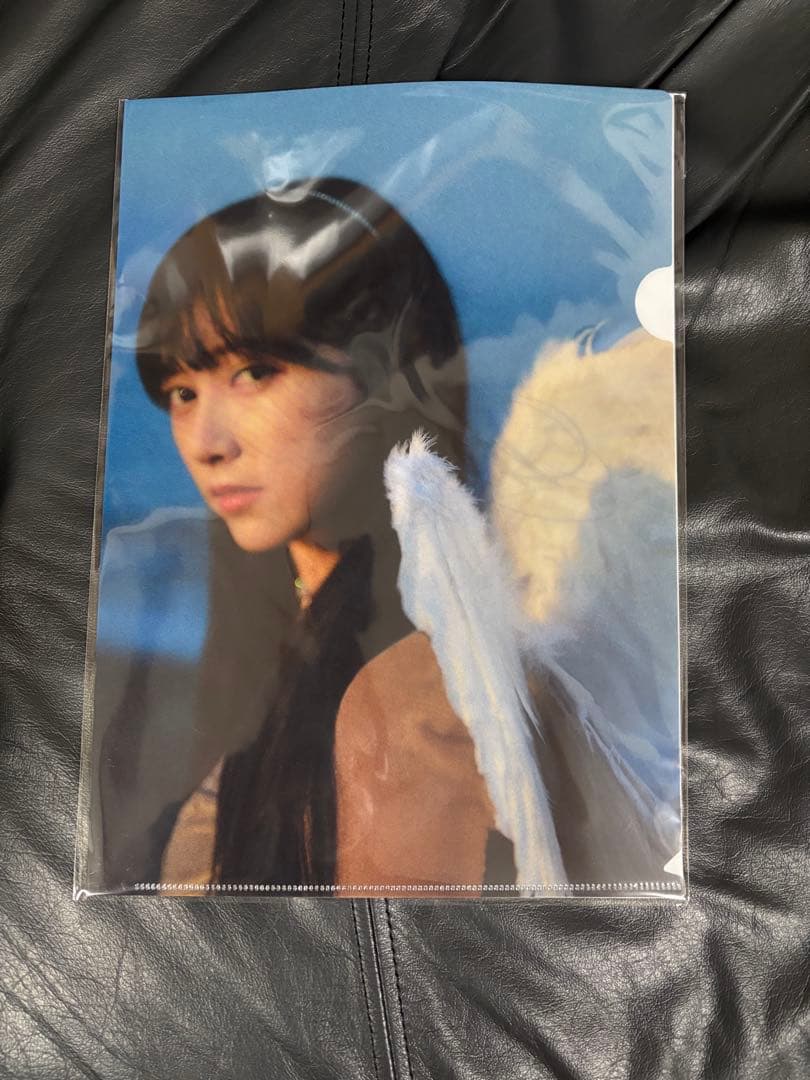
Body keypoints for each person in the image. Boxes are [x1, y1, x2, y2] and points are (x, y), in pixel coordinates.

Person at [133, 176, 677, 897]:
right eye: (182, 392)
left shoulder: (426, 688)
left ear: (380, 372)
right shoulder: (269, 653)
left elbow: (395, 950)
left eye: (255, 372)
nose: (207, 442)